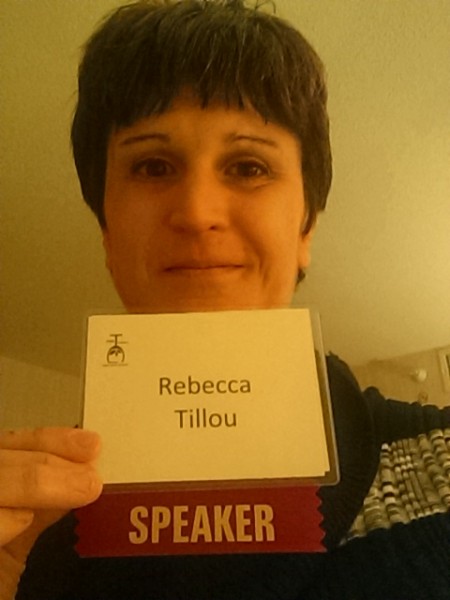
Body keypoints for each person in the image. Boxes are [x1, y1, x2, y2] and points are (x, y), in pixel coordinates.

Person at [2, 1, 450, 598]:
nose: (196, 213)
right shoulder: (35, 532)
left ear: (305, 230)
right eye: (154, 165)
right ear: (107, 232)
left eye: (247, 166)